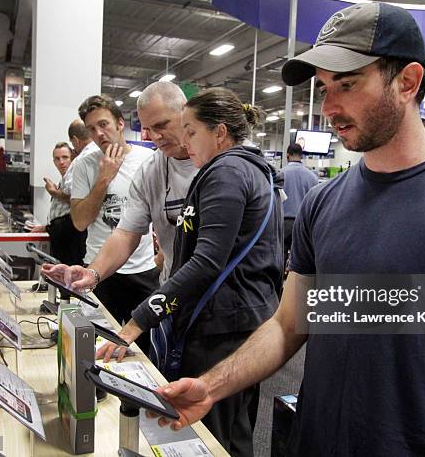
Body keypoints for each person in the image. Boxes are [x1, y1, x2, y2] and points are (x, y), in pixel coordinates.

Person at [151, 3, 425, 456]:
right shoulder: (324, 202)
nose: (329, 106)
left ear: (407, 82)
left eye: (347, 84)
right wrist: (212, 386)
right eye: (325, 87)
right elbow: (289, 325)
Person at [91, 87, 283, 456]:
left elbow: (207, 261)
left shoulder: (226, 172)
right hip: (236, 322)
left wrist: (136, 323)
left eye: (191, 131)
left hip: (223, 328)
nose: (186, 140)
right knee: (232, 430)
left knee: (214, 435)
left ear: (220, 132)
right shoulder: (240, 169)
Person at [62, 95, 159, 335]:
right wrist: (104, 179)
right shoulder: (85, 164)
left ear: (120, 123)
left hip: (142, 270)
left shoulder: (149, 160)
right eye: (91, 129)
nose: (99, 134)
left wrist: (161, 258)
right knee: (95, 343)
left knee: (145, 348)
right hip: (98, 270)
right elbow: (80, 222)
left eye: (103, 125)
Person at [30, 142, 86, 266]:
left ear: (72, 157)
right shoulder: (64, 179)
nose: (61, 162)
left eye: (65, 157)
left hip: (72, 240)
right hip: (62, 239)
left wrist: (54, 192)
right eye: (57, 158)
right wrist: (48, 227)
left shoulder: (75, 175)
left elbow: (77, 202)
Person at [280, 143, 318, 267]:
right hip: (303, 223)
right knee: (300, 261)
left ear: (287, 156)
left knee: (280, 256)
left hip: (283, 222)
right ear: (301, 156)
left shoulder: (280, 174)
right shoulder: (312, 177)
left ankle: (280, 284)